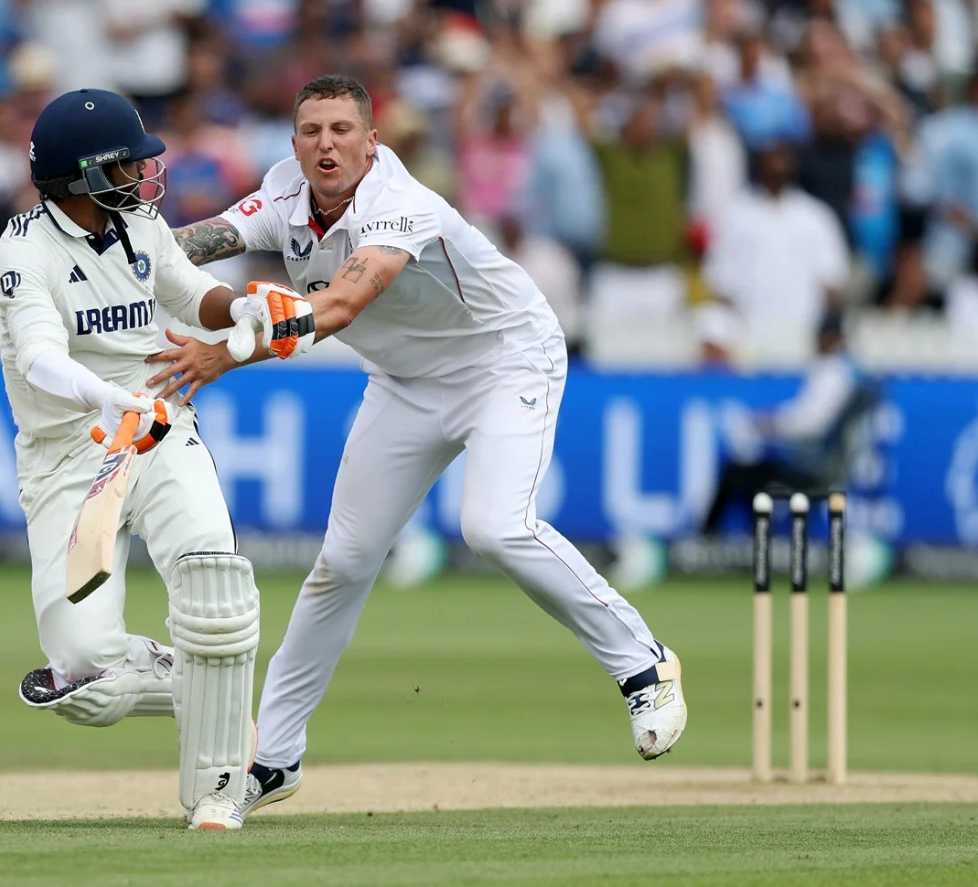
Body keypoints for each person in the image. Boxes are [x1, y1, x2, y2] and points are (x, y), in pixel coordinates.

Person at [150, 74, 689, 817]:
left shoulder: (400, 206)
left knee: (494, 526)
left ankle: (645, 666)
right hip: (405, 381)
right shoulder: (283, 193)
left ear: (373, 142)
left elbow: (337, 306)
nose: (326, 144)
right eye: (312, 131)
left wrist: (223, 353)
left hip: (504, 361)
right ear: (295, 143)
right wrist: (117, 253)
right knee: (341, 561)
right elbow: (198, 244)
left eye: (343, 130)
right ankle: (272, 756)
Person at [0, 88, 261, 830]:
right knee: (85, 678)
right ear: (82, 177)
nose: (144, 177)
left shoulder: (140, 224)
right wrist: (99, 398)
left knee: (212, 577)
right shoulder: (21, 251)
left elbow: (193, 291)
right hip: (70, 457)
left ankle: (219, 792)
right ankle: (200, 683)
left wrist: (241, 310)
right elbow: (40, 356)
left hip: (160, 427)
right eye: (127, 165)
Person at [701, 313, 879, 534]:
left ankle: (705, 541)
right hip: (828, 463)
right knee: (749, 475)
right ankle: (754, 539)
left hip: (815, 467)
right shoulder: (852, 371)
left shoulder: (833, 371)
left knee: (736, 473)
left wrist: (767, 424)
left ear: (829, 338)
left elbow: (810, 424)